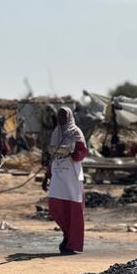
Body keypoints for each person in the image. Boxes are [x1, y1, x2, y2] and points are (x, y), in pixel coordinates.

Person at [41, 106, 88, 254]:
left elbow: (82, 151)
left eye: (63, 116)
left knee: (73, 208)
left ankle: (71, 241)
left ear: (68, 117)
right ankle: (66, 234)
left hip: (71, 175)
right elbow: (53, 155)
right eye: (59, 116)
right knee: (55, 206)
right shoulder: (56, 132)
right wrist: (47, 175)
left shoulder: (75, 132)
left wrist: (72, 153)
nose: (60, 118)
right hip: (58, 173)